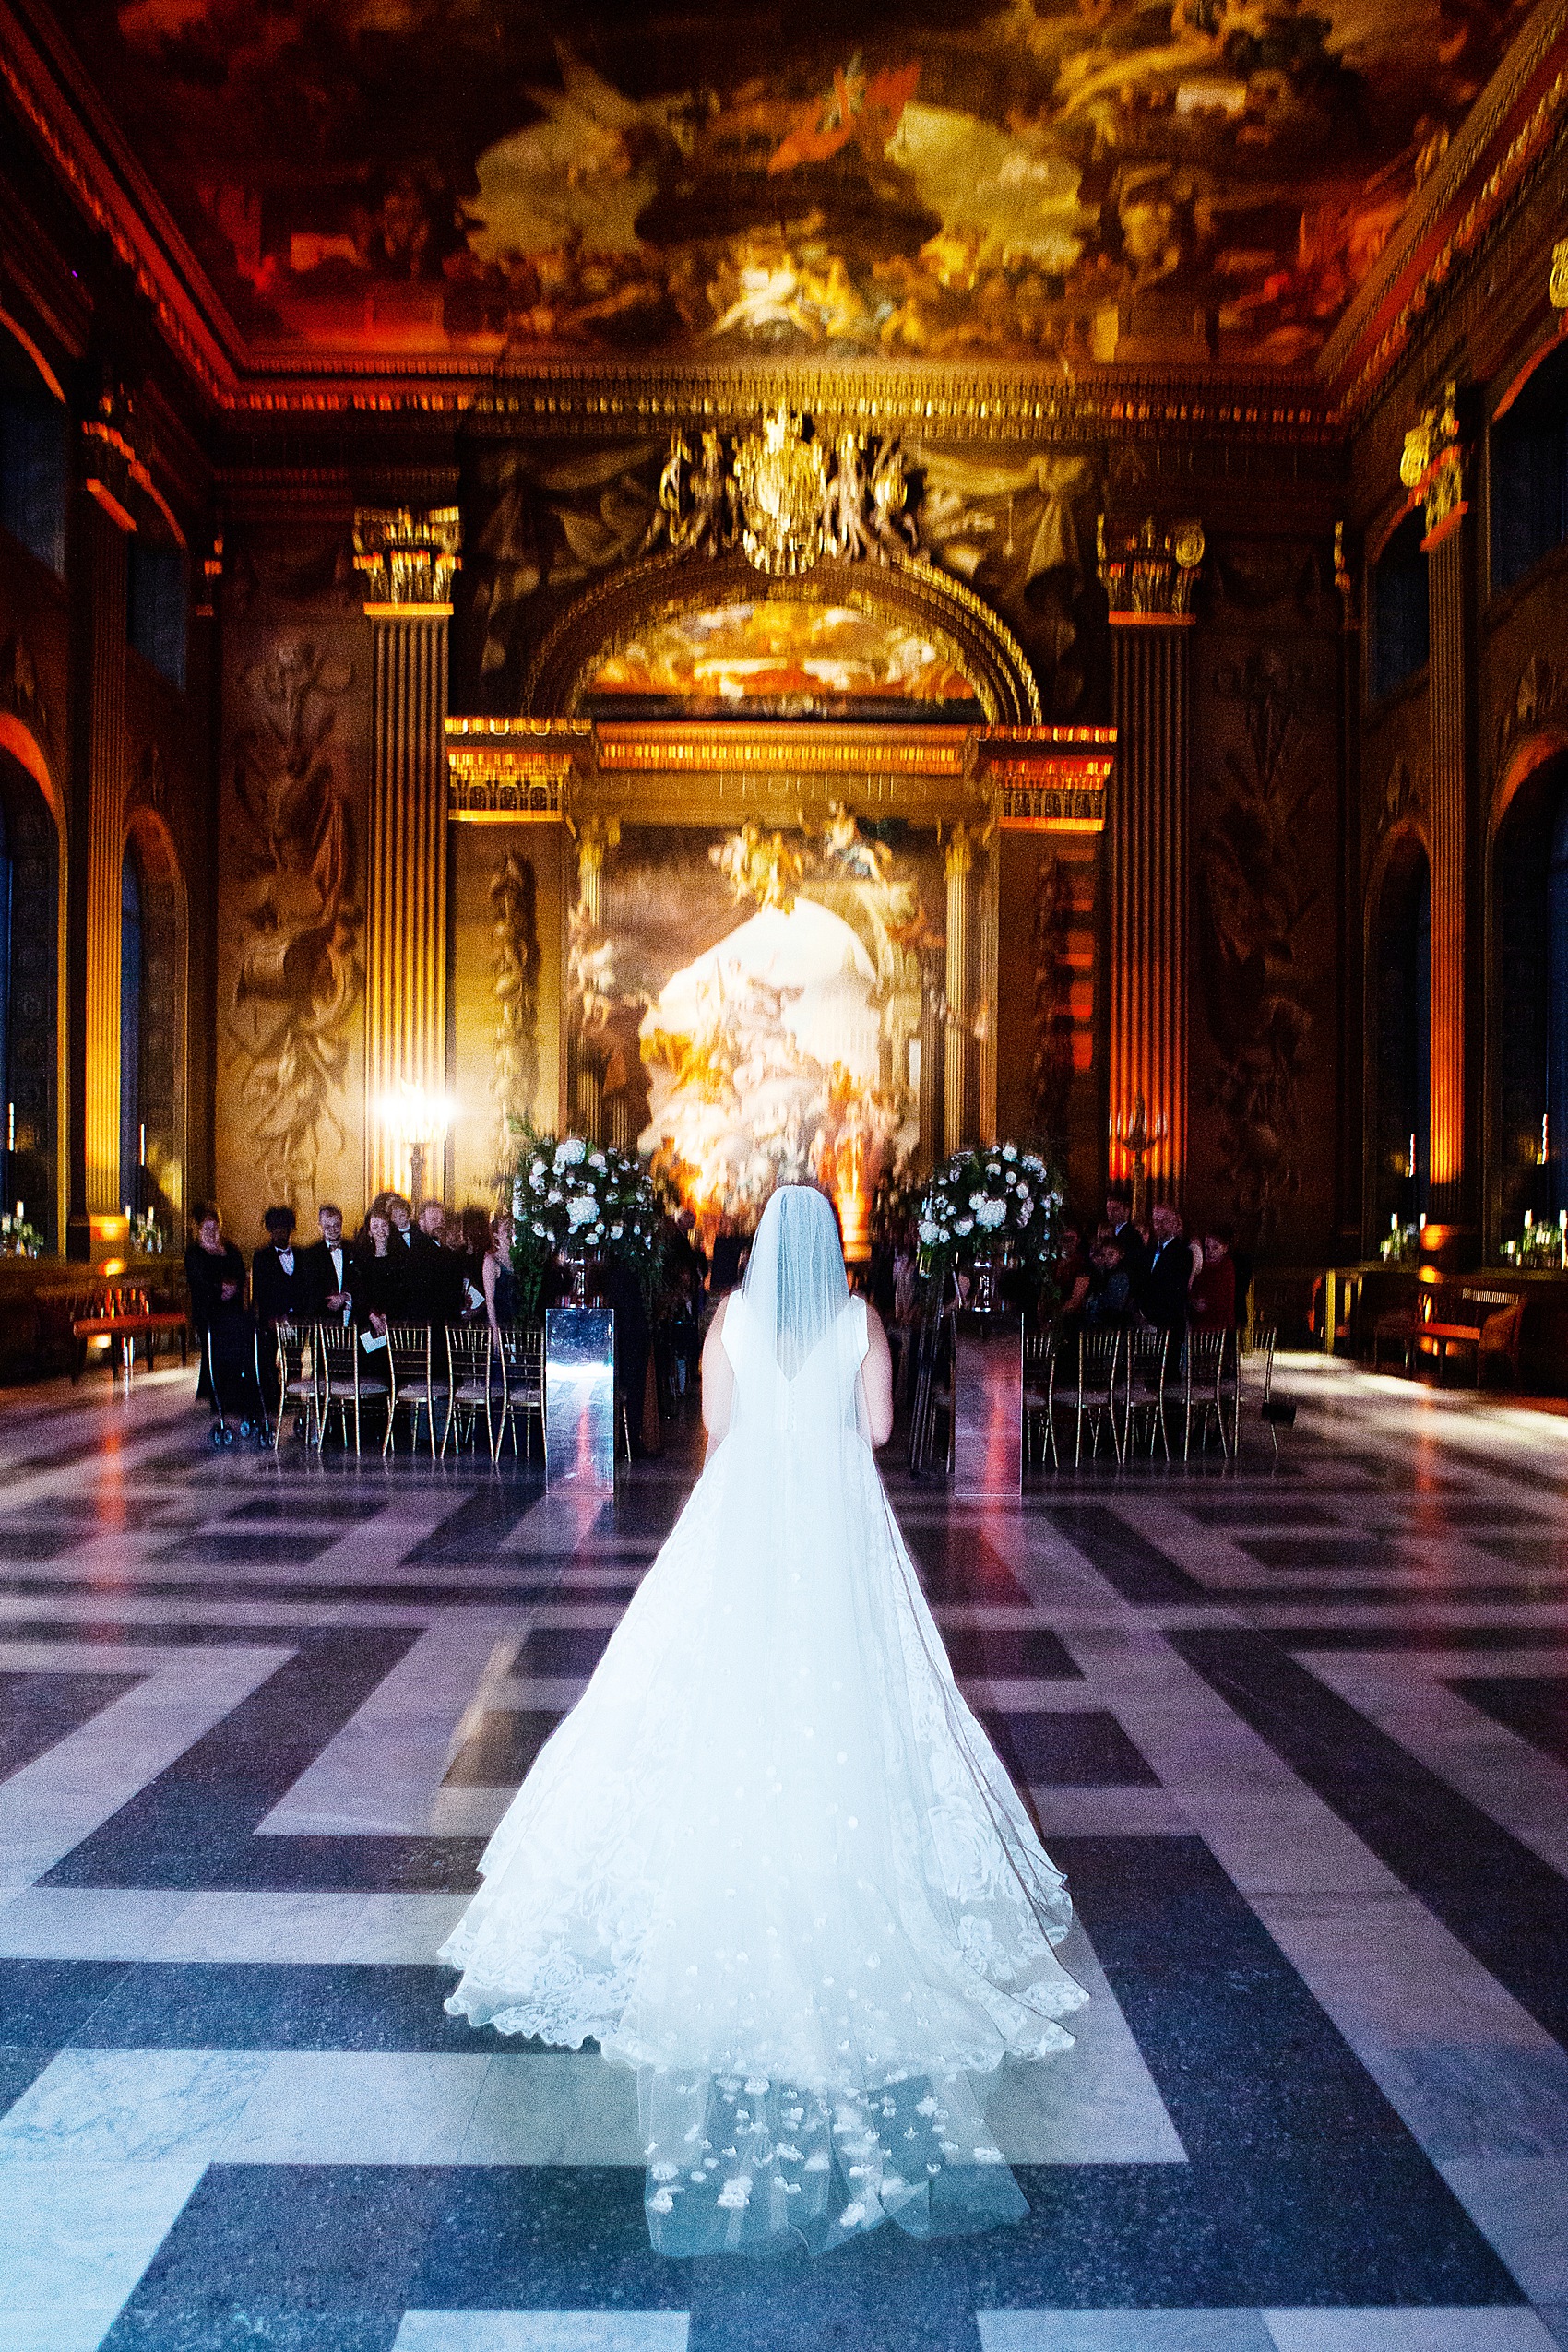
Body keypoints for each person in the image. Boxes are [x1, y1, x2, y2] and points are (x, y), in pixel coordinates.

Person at [441, 1184, 1087, 2258]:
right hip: (835, 1519)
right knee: (851, 1680)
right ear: (830, 1247)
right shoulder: (862, 1322)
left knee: (707, 1678)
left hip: (741, 1520)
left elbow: (717, 1426)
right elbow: (877, 1431)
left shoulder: (727, 1320)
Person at [184, 1204, 259, 1418]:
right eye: (206, 1229)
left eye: (214, 1228)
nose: (211, 1233)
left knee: (245, 1334)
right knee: (219, 1345)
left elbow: (241, 1274)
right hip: (209, 1308)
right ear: (198, 1230)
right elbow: (198, 1280)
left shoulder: (231, 1249)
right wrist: (219, 1289)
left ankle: (243, 1391)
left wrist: (233, 1288)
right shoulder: (194, 1253)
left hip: (233, 1306)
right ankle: (220, 1395)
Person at [1140, 1201, 1198, 1334]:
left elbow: (1175, 1290)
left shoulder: (1183, 1253)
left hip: (1168, 1323)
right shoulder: (1149, 1250)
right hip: (1146, 1319)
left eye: (1164, 1220)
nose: (1159, 1225)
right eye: (1156, 1220)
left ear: (1175, 1222)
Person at [250, 1206, 312, 1330]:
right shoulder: (262, 1256)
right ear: (270, 1230)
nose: (281, 1233)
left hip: (300, 1320)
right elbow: (259, 1291)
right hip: (273, 1322)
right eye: (276, 1229)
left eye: (285, 1228)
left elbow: (307, 1287)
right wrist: (271, 1318)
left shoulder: (302, 1254)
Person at [351, 1207, 404, 1335]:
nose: (381, 1230)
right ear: (369, 1232)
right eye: (375, 1226)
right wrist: (373, 1316)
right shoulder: (361, 1261)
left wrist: (386, 1315)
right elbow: (358, 1293)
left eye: (384, 1225)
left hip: (393, 1323)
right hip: (367, 1324)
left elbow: (402, 1293)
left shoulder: (400, 1260)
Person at [299, 1204, 353, 1324]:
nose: (333, 1230)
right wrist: (330, 1301)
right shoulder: (310, 1253)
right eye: (327, 1227)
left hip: (352, 1316)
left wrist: (346, 1297)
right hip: (323, 1319)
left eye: (336, 1225)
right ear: (320, 1227)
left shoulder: (353, 1248)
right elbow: (308, 1288)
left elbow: (359, 1282)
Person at [1189, 1224, 1238, 1331]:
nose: (1210, 1251)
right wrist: (1194, 1301)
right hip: (1199, 1321)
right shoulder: (1201, 1266)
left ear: (1225, 1248)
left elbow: (1223, 1295)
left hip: (1220, 1323)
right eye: (1207, 1247)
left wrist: (1207, 1303)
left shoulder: (1226, 1267)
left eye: (1215, 1247)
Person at [1084, 1227, 1133, 1325]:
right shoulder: (1103, 1273)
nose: (1107, 1258)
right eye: (1104, 1255)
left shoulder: (1120, 1276)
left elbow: (1115, 1302)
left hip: (1111, 1320)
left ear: (1120, 1254)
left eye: (1111, 1254)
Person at [482, 1211, 518, 1332]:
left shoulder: (520, 1259)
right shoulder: (491, 1261)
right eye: (505, 1229)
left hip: (518, 1320)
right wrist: (494, 1330)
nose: (509, 1232)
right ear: (496, 1234)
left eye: (511, 1228)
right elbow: (490, 1300)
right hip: (501, 1321)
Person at [1104, 1189, 1148, 1284]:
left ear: (1126, 1211)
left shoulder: (1132, 1236)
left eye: (1115, 1209)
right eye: (1108, 1209)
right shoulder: (1109, 1231)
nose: (1110, 1213)